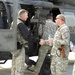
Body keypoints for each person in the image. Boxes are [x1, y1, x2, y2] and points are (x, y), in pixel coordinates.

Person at [11, 9, 40, 75]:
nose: (27, 17)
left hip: (13, 47)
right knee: (19, 68)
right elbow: (28, 37)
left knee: (14, 67)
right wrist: (38, 40)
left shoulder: (14, 22)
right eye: (26, 15)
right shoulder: (21, 24)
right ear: (22, 15)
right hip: (19, 48)